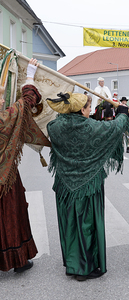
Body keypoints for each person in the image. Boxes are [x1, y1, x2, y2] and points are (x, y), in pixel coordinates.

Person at [46, 92, 129, 281]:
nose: (90, 111)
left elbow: (54, 125)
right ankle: (84, 268)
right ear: (82, 110)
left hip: (64, 185)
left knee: (69, 224)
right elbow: (113, 128)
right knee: (87, 225)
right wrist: (124, 114)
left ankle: (72, 263)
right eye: (87, 108)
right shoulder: (92, 127)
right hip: (88, 184)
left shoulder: (54, 127)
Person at [0, 59, 51, 273]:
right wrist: (30, 74)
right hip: (6, 178)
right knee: (11, 215)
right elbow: (27, 101)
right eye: (0, 96)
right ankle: (18, 260)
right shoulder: (5, 118)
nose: (3, 99)